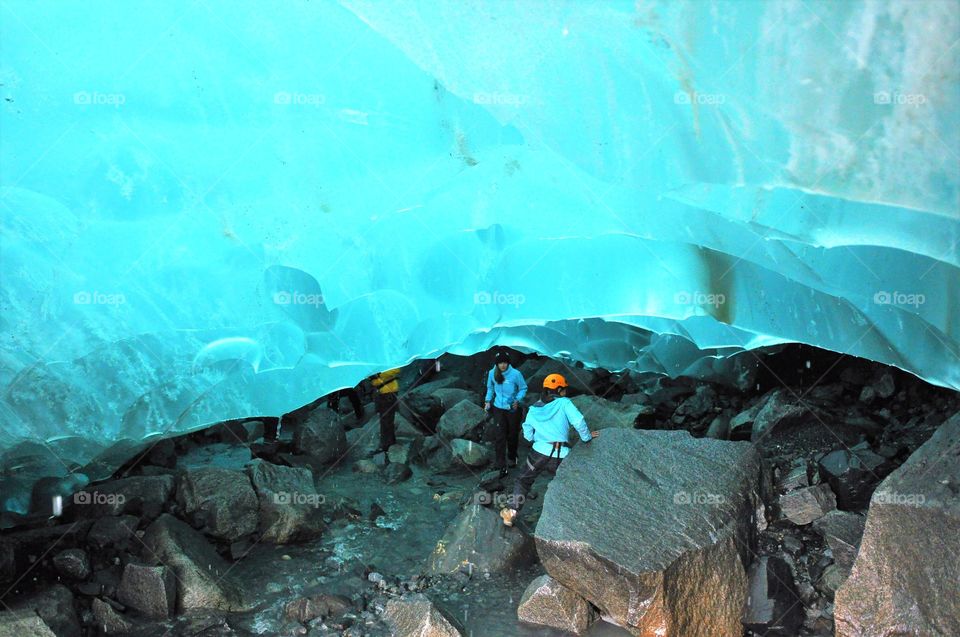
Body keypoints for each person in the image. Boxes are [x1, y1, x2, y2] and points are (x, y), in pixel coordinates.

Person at [500, 373, 599, 526]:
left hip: (538, 453)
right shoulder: (565, 403)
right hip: (562, 455)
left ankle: (512, 512)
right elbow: (579, 421)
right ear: (559, 389)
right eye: (564, 389)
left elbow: (527, 430)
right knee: (569, 484)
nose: (565, 392)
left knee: (523, 480)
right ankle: (572, 520)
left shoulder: (534, 408)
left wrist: (533, 439)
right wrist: (586, 438)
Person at [484, 349, 528, 476]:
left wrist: (517, 400)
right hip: (498, 408)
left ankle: (512, 457)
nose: (503, 365)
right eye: (500, 363)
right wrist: (487, 400)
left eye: (505, 363)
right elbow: (490, 388)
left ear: (508, 363)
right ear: (497, 364)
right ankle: (500, 463)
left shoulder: (515, 374)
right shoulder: (492, 373)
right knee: (499, 436)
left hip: (513, 408)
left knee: (512, 435)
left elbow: (523, 388)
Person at [370, 368, 401, 453]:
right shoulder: (377, 360)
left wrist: (379, 374)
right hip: (381, 392)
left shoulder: (389, 358)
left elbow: (396, 369)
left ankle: (386, 446)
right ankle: (389, 443)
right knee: (384, 420)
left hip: (389, 392)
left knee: (387, 420)